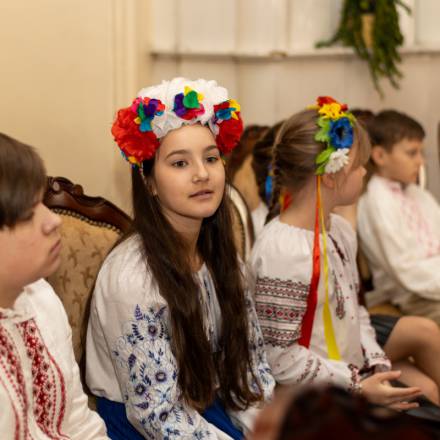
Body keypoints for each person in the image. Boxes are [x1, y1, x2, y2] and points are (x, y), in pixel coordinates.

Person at [86, 78, 275, 439]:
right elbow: (158, 416)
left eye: (210, 158)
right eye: (180, 163)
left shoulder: (223, 260)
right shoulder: (132, 279)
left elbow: (250, 370)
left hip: (210, 408)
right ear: (150, 182)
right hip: (146, 425)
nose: (202, 174)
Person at [250, 96, 422, 411]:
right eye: (357, 166)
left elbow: (355, 314)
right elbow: (280, 359)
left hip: (347, 382)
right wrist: (356, 385)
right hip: (306, 403)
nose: (365, 173)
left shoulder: (339, 230)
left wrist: (377, 367)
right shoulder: (283, 251)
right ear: (330, 176)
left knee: (426, 401)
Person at [0, 133, 108, 439]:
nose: (54, 221)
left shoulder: (39, 296)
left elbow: (79, 421)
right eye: (27, 213)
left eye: (43, 203)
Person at [357, 110, 440, 324]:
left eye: (421, 153)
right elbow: (407, 270)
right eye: (412, 153)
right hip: (414, 296)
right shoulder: (376, 202)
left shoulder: (419, 195)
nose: (421, 161)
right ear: (380, 156)